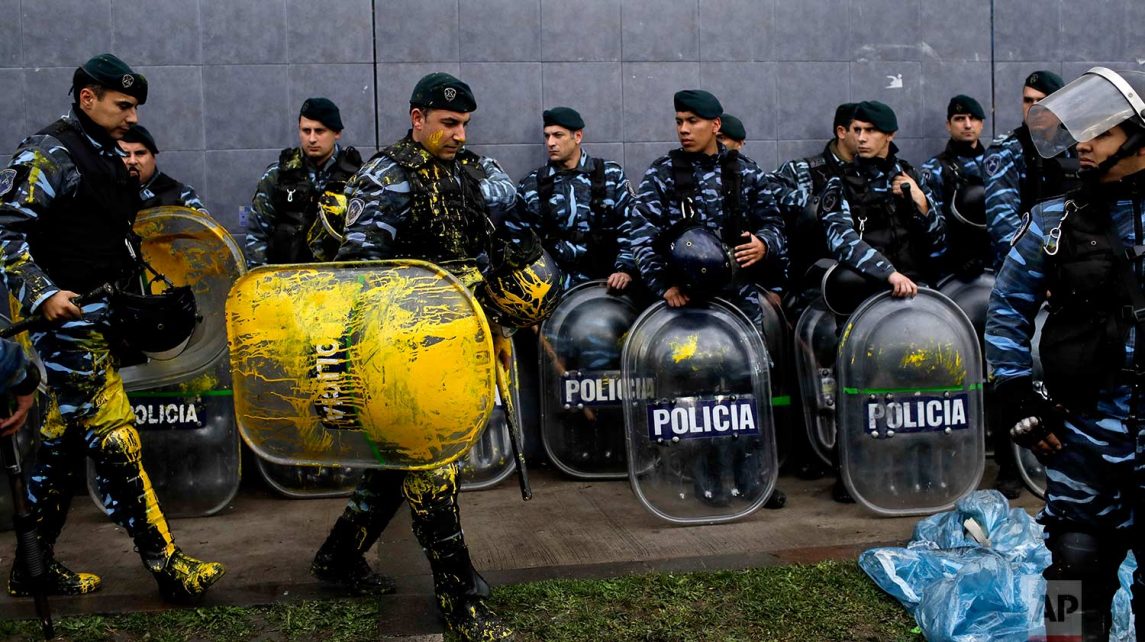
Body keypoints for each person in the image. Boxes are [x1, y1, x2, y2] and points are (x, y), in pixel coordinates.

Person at [0, 54, 223, 601]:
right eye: (123, 105)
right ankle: (167, 564)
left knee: (59, 443)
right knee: (117, 438)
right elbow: (6, 234)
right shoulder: (45, 155)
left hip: (106, 322)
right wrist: (44, 293)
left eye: (134, 107)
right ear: (87, 99)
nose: (131, 117)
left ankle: (33, 566)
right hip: (68, 328)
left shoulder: (104, 156)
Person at [312, 72, 519, 641]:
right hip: (401, 348)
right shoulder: (384, 176)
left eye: (465, 125)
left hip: (461, 340)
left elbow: (501, 239)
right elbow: (360, 273)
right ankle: (458, 597)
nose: (458, 134)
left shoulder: (476, 171)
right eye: (449, 123)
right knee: (432, 467)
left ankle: (337, 557)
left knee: (398, 467)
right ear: (417, 117)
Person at [985, 66, 1145, 641]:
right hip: (1083, 435)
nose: (1083, 142)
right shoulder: (1054, 222)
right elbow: (1006, 311)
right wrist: (1014, 391)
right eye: (1081, 131)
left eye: (1100, 132)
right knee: (1071, 578)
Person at [627, 89, 796, 508]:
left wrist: (764, 245)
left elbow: (775, 225)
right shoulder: (663, 174)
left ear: (715, 126)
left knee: (747, 392)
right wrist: (662, 286)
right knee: (696, 394)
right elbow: (641, 235)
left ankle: (755, 480)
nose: (684, 129)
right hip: (688, 307)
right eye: (679, 121)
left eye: (693, 122)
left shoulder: (746, 173)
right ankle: (704, 478)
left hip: (738, 302)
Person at [816, 101, 944, 503]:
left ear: (889, 135)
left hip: (914, 306)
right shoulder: (839, 183)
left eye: (870, 131)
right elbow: (842, 241)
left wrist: (920, 202)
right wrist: (888, 273)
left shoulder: (912, 178)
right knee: (860, 389)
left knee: (920, 389)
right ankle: (854, 471)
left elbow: (941, 244)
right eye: (856, 129)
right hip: (866, 304)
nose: (861, 137)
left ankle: (921, 467)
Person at [513, 106, 637, 291]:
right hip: (552, 290)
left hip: (606, 286)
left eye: (558, 135)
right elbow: (517, 238)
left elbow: (631, 226)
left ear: (577, 136)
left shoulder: (610, 175)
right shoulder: (531, 185)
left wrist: (625, 270)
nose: (550, 143)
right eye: (547, 136)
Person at [245, 97, 362, 266]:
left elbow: (368, 237)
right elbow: (257, 235)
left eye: (319, 131)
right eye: (306, 131)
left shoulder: (357, 177)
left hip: (338, 281)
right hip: (288, 280)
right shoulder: (277, 176)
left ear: (336, 133)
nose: (312, 139)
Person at [983, 70, 1076, 270]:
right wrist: (1039, 268)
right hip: (1025, 266)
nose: (1033, 108)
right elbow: (1003, 221)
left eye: (1042, 102)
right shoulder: (1006, 151)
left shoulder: (1077, 148)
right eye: (1028, 101)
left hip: (1074, 261)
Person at [775, 103, 859, 317]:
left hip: (863, 282)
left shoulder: (876, 174)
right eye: (859, 130)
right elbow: (766, 192)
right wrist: (815, 204)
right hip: (814, 292)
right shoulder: (803, 170)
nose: (867, 136)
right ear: (842, 132)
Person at [920, 95, 990, 279]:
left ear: (981, 124)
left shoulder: (997, 165)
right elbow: (930, 222)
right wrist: (954, 258)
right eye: (959, 119)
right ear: (948, 125)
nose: (967, 125)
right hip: (952, 268)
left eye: (973, 118)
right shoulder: (934, 169)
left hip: (994, 261)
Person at [118, 124, 209, 213]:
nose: (132, 161)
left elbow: (201, 225)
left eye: (140, 153)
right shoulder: (105, 193)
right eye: (125, 154)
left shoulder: (180, 195)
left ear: (153, 158)